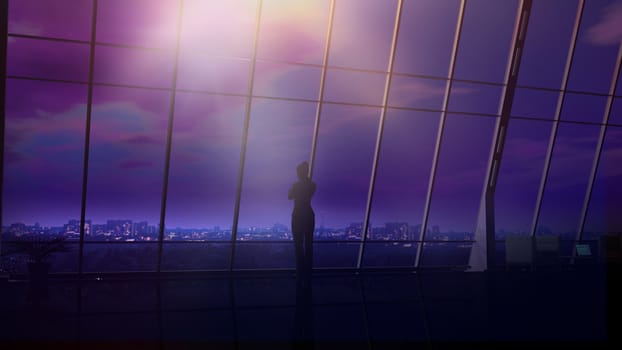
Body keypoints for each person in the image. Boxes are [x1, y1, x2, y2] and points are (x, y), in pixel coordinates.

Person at [288, 161, 316, 288]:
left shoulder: (296, 185)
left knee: (298, 247)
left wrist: (294, 187)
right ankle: (308, 275)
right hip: (309, 216)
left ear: (300, 172)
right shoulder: (312, 185)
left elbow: (289, 196)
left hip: (298, 216)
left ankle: (300, 275)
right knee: (309, 246)